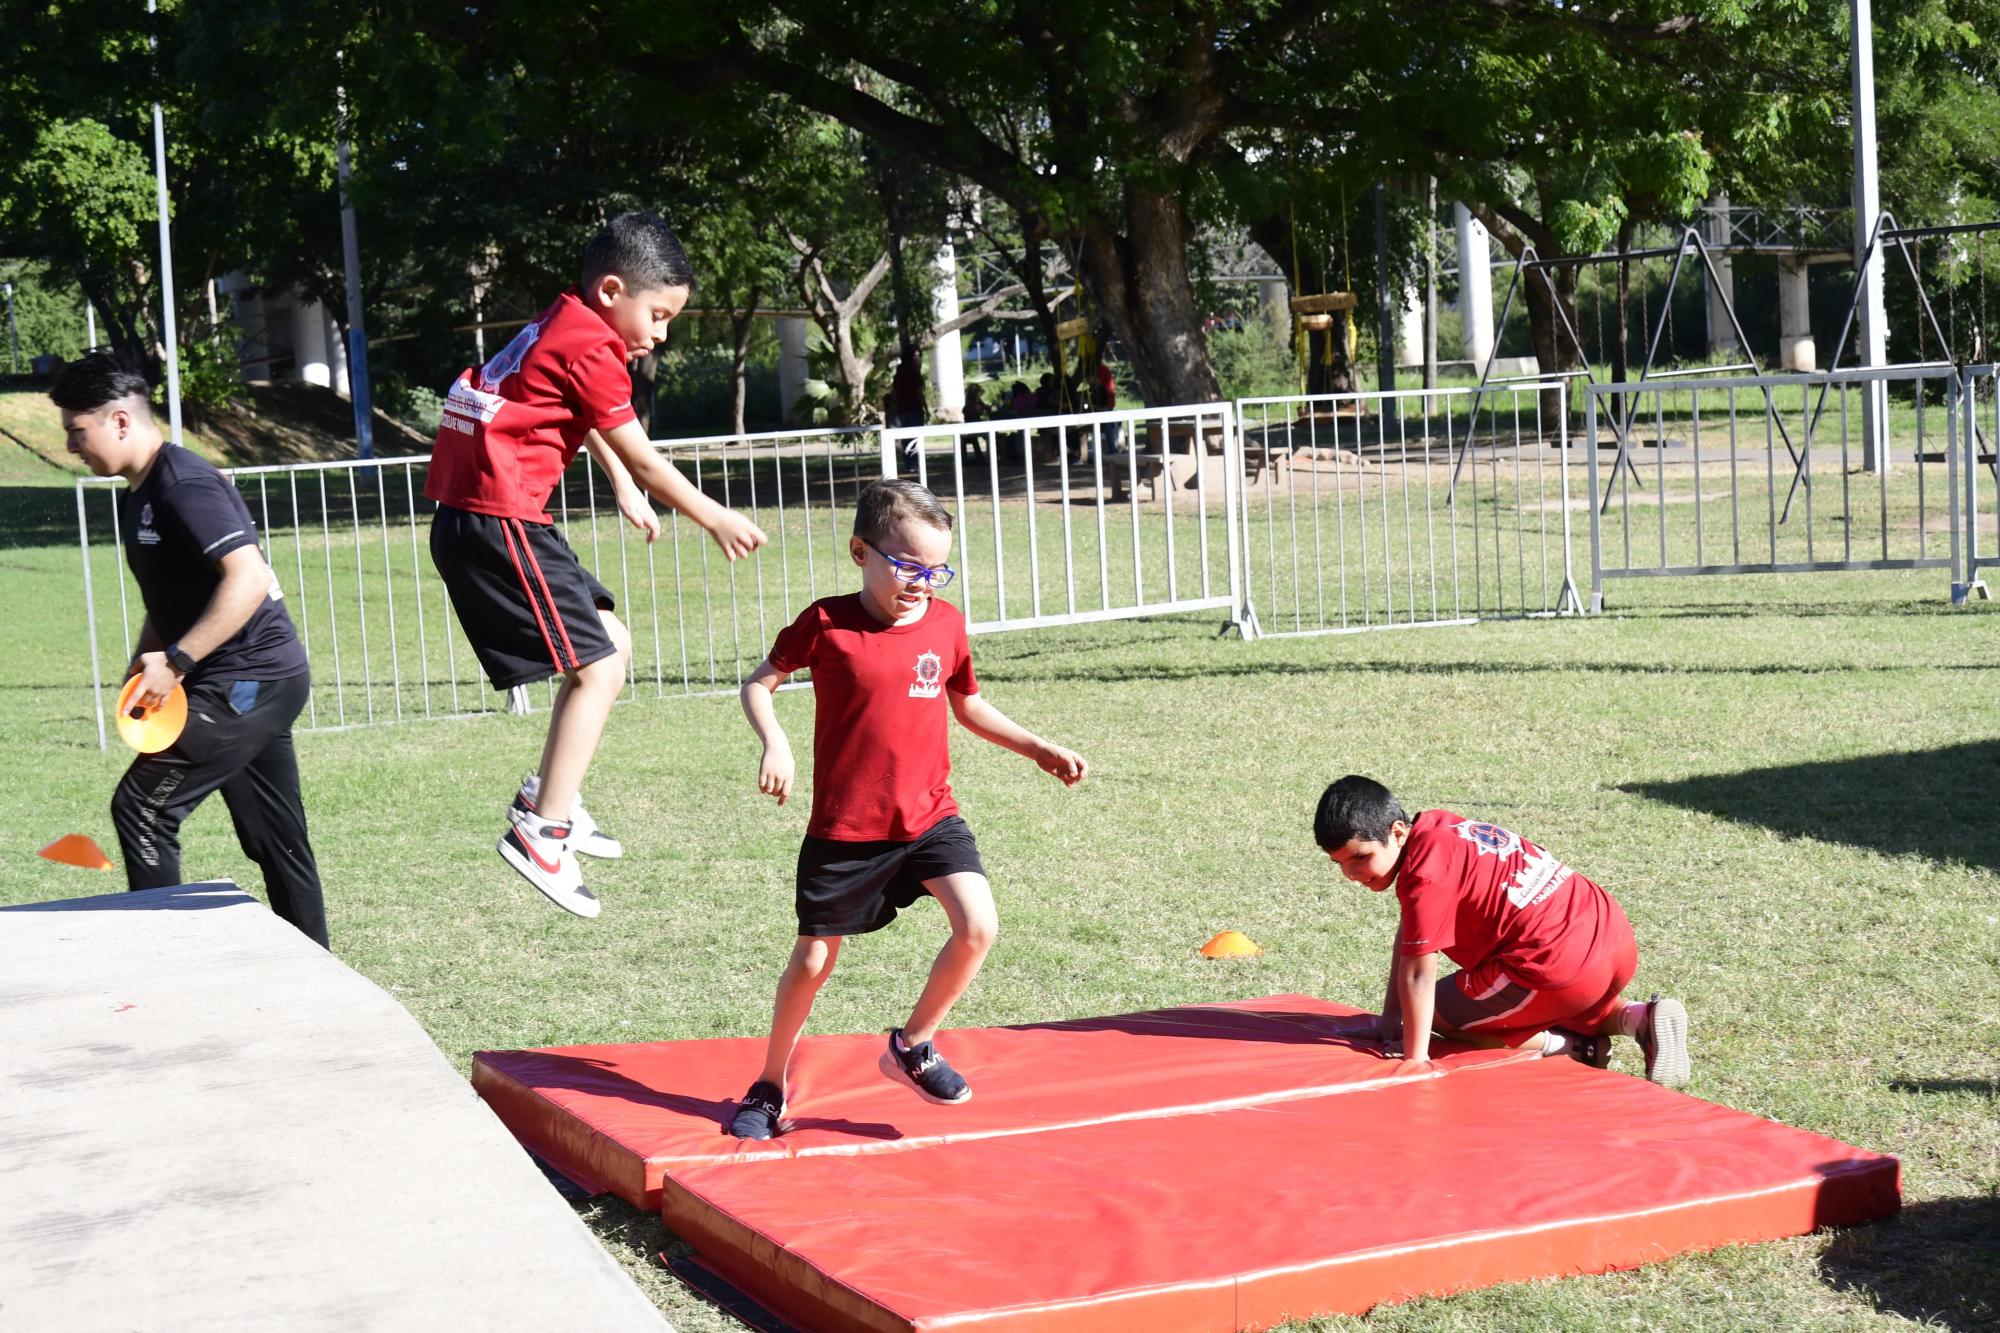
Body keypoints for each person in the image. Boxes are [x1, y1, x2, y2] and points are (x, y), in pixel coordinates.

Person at [425, 211, 767, 918]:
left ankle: (548, 792)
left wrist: (619, 485)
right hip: (497, 519)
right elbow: (639, 447)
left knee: (611, 643)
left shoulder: (568, 321)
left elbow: (589, 422)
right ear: (613, 290)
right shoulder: (593, 346)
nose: (662, 334)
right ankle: (540, 834)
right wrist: (713, 515)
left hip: (492, 517)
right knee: (600, 668)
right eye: (659, 314)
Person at [729, 479, 1088, 1138]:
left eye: (937, 569)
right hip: (845, 829)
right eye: (907, 565)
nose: (924, 582)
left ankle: (912, 1044)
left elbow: (967, 702)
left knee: (978, 924)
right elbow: (760, 683)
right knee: (812, 961)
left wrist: (1037, 746)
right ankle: (769, 1084)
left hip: (928, 817)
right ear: (860, 551)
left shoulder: (946, 624)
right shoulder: (826, 622)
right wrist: (774, 741)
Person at [53, 355, 329, 947]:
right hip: (235, 679)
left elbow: (247, 579)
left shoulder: (185, 483)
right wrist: (144, 661)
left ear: (120, 420)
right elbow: (172, 597)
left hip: (253, 677)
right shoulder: (140, 493)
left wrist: (176, 661)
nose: (72, 446)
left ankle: (164, 968)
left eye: (78, 431)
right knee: (272, 836)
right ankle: (316, 963)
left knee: (142, 808)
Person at [1313, 774, 1690, 1086]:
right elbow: (1412, 932)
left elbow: (1417, 976)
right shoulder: (1443, 827)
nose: (1352, 874)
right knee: (1528, 999)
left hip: (1557, 966)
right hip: (1612, 939)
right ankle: (1638, 1018)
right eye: (1340, 864)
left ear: (1397, 832)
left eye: (1360, 858)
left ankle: (1573, 1048)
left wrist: (1415, 1057)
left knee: (1436, 1015)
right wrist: (1387, 1022)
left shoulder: (1424, 873)